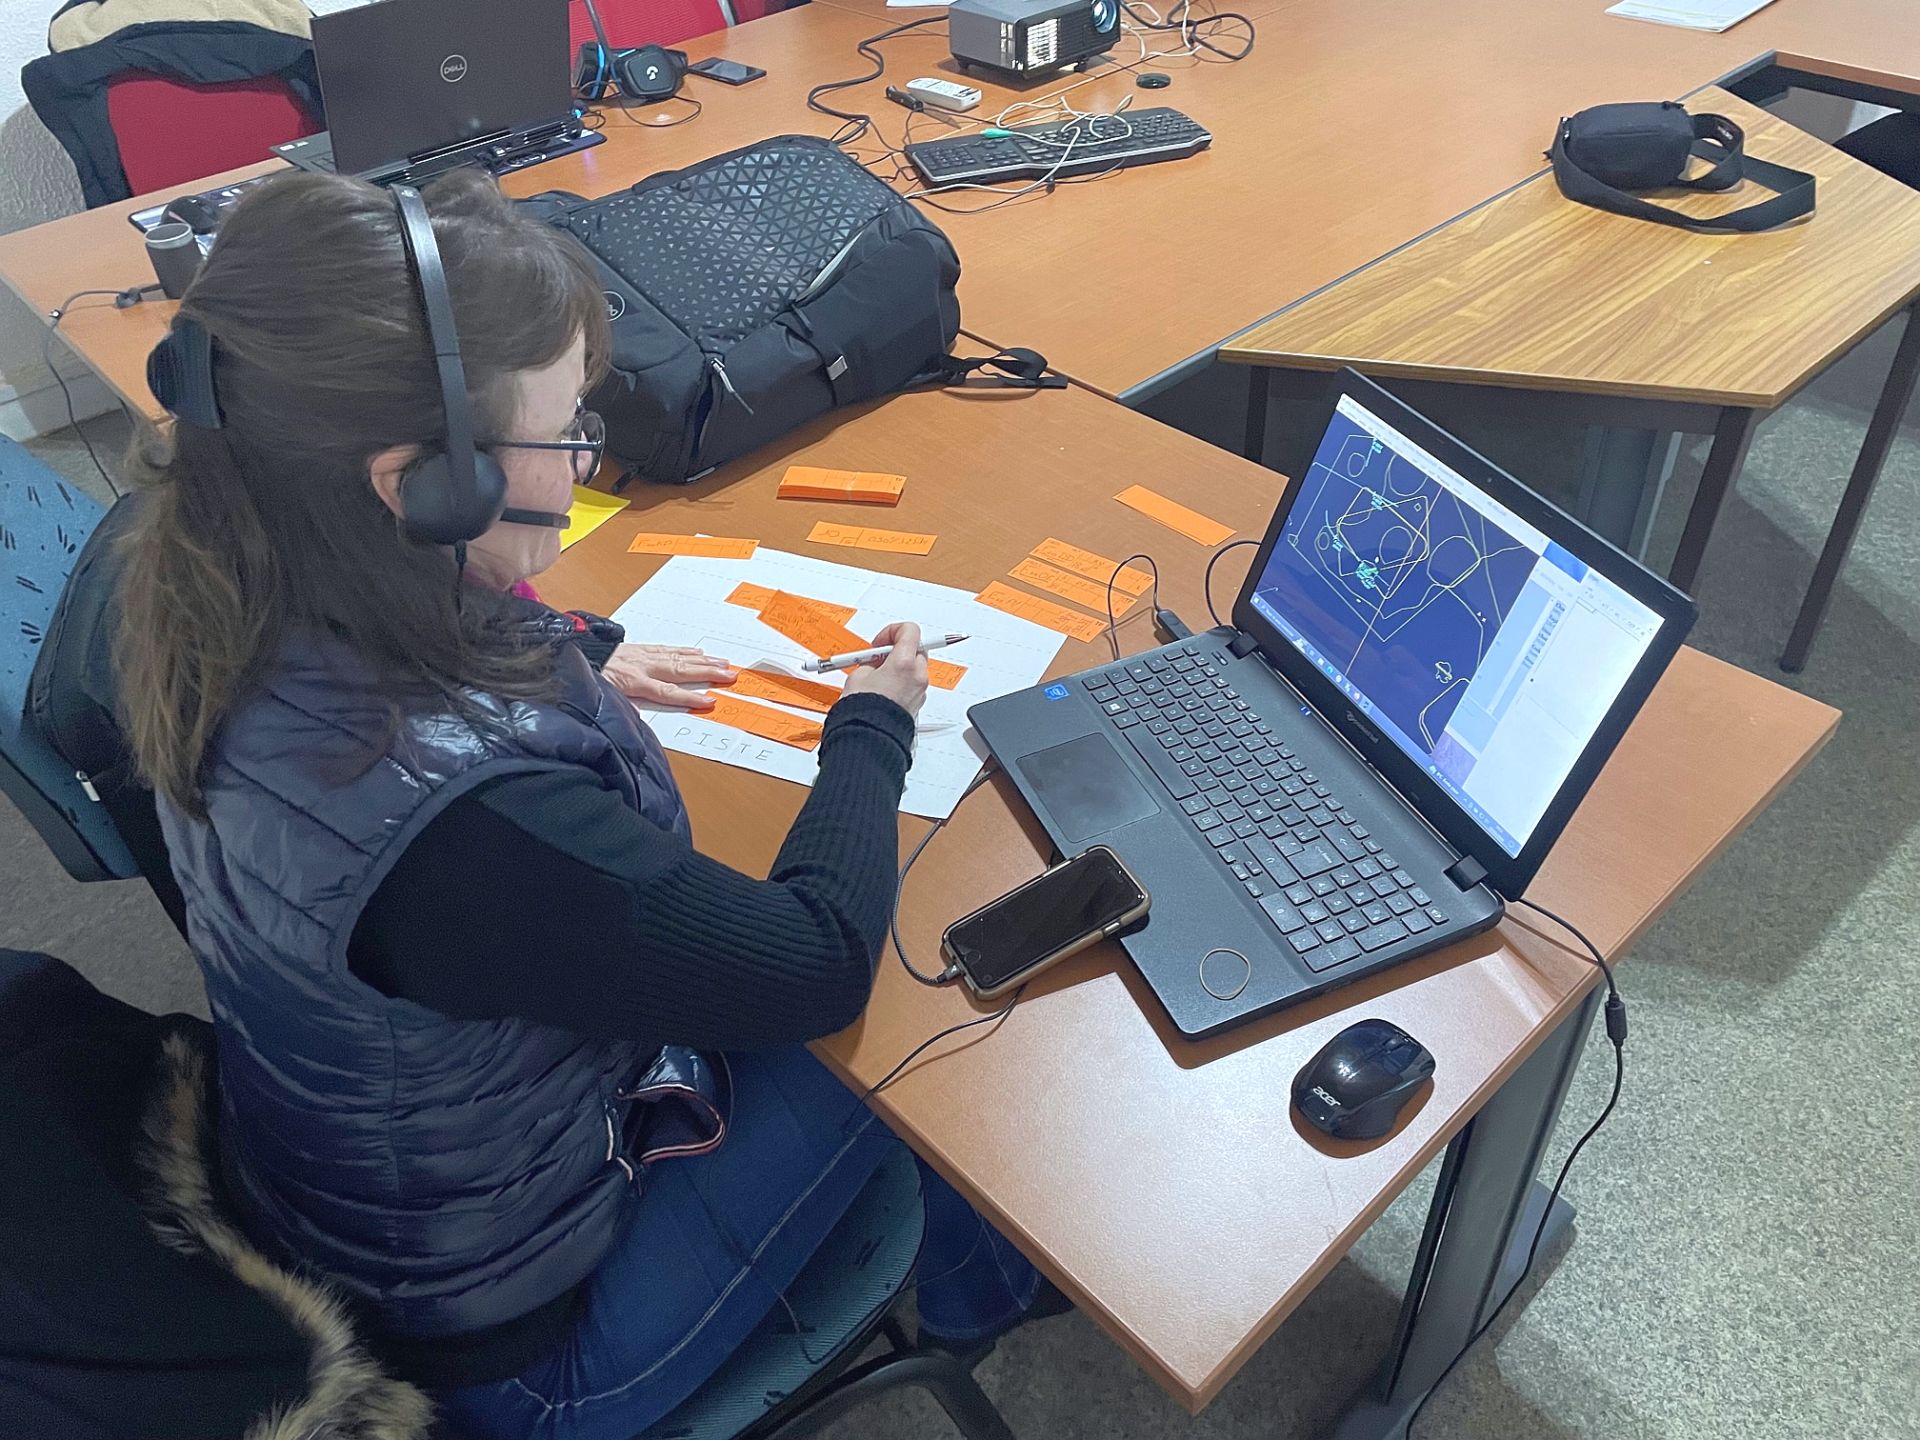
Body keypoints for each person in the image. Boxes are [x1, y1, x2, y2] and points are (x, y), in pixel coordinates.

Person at [111, 168, 1044, 1440]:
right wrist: (873, 725)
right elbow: (815, 962)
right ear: (417, 485)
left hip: (365, 1207)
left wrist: (580, 646)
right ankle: (986, 1302)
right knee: (925, 1011)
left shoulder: (222, 567)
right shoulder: (470, 841)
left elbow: (429, 663)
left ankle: (980, 1276)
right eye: (563, 435)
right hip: (528, 1353)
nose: (582, 463)